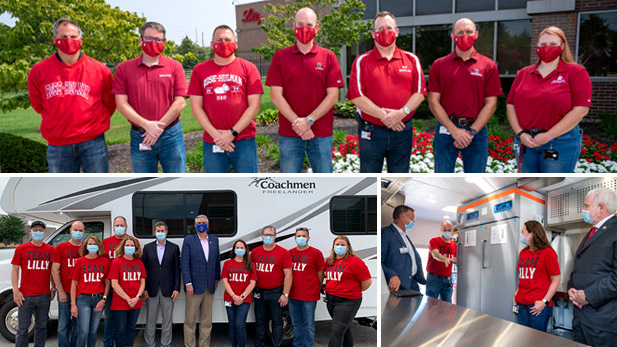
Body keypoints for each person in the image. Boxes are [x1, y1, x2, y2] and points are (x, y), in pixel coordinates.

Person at [27, 18, 115, 173]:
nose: (69, 41)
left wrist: (93, 125)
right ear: (55, 40)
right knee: (62, 193)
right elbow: (38, 104)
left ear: (81, 39)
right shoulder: (38, 71)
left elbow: (110, 103)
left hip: (93, 142)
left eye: (73, 37)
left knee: (99, 189)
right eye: (63, 37)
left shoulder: (100, 70)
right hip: (58, 145)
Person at [265, 7, 345, 173]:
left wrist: (309, 121)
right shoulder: (280, 57)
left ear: (317, 28)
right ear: (293, 25)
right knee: (290, 186)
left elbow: (333, 96)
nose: (304, 29)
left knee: (324, 186)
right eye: (300, 24)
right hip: (289, 134)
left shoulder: (328, 56)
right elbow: (275, 96)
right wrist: (298, 124)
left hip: (321, 134)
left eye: (309, 24)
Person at [346, 11, 427, 173]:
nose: (385, 32)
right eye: (380, 28)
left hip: (402, 130)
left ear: (397, 32)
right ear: (373, 34)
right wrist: (386, 116)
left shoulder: (411, 59)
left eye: (389, 28)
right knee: (369, 179)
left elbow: (419, 93)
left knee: (398, 179)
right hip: (371, 131)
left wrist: (401, 113)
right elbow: (357, 96)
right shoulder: (362, 61)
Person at [507, 26, 591, 173]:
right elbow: (510, 105)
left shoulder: (576, 72)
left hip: (560, 142)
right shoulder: (524, 73)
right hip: (527, 141)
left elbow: (580, 110)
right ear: (537, 46)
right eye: (543, 44)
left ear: (562, 46)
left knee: (553, 187)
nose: (547, 48)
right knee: (528, 187)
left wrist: (548, 136)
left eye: (553, 44)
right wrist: (520, 134)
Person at [112, 21, 188, 173]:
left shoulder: (174, 66)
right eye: (149, 39)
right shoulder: (124, 68)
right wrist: (147, 125)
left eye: (158, 40)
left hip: (171, 135)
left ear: (164, 42)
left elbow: (180, 101)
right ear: (141, 40)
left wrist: (157, 128)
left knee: (177, 183)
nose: (154, 43)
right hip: (140, 135)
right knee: (144, 184)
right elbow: (121, 103)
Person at [429, 18, 502, 173]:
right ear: (452, 36)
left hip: (477, 131)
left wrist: (472, 132)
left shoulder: (488, 65)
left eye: (469, 32)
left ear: (476, 34)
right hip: (446, 130)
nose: (465, 35)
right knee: (442, 177)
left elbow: (491, 103)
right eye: (460, 32)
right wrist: (453, 130)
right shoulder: (439, 65)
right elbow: (433, 101)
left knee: (476, 178)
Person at [188, 25, 263, 173]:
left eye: (228, 39)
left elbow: (254, 106)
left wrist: (231, 134)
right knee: (216, 189)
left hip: (244, 139)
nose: (223, 43)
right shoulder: (199, 70)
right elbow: (196, 107)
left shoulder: (248, 68)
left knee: (249, 186)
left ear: (235, 43)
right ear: (212, 44)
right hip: (212, 141)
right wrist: (217, 136)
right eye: (219, 40)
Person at [568, 188, 617, 346]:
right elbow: (581, 267)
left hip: (602, 322)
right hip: (581, 317)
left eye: (586, 206)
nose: (583, 210)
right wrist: (571, 287)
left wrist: (588, 296)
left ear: (601, 208)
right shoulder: (592, 232)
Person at [11, 221, 56, 347]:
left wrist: (53, 287)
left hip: (44, 295)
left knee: (41, 328)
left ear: (45, 233)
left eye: (40, 230)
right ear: (30, 232)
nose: (38, 232)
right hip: (25, 295)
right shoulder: (21, 249)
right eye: (35, 230)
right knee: (22, 329)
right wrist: (16, 290)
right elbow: (15, 270)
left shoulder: (50, 250)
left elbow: (53, 271)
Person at [324, 236, 372, 347]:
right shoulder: (330, 261)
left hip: (347, 301)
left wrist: (351, 290)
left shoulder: (355, 262)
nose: (339, 247)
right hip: (331, 300)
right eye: (337, 244)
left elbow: (367, 282)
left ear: (348, 247)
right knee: (344, 328)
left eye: (342, 245)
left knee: (337, 331)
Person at [513, 221, 560, 332]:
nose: (521, 234)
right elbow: (523, 277)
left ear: (532, 234)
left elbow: (556, 280)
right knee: (523, 338)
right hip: (521, 303)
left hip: (537, 306)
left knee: (536, 341)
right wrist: (516, 294)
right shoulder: (523, 253)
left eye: (523, 232)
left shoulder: (548, 252)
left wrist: (544, 302)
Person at [181, 214, 221, 347]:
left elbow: (216, 261)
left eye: (204, 222)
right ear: (195, 225)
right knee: (190, 320)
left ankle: (204, 345)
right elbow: (184, 263)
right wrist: (188, 283)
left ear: (208, 225)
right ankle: (190, 345)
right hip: (193, 286)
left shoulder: (214, 240)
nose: (201, 224)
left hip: (210, 286)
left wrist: (216, 278)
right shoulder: (189, 240)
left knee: (206, 320)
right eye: (199, 222)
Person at [250, 226, 292, 347]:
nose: (268, 237)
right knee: (260, 321)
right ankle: (260, 344)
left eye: (271, 235)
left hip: (276, 292)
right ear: (262, 236)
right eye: (266, 235)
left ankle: (276, 344)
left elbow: (288, 275)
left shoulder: (283, 253)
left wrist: (285, 294)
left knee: (277, 321)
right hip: (259, 292)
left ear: (275, 236)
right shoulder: (255, 252)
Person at [141, 221, 181, 347]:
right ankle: (150, 343)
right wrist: (144, 288)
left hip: (168, 289)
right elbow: (144, 270)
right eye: (158, 231)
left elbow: (176, 270)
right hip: (151, 289)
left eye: (162, 231)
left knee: (167, 320)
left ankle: (165, 344)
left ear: (166, 232)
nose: (160, 233)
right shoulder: (147, 248)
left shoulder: (174, 248)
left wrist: (176, 288)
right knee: (150, 319)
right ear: (154, 232)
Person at [70, 235, 110, 347]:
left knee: (93, 331)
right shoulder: (79, 261)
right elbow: (74, 284)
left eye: (95, 244)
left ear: (99, 246)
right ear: (86, 246)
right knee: (83, 332)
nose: (92, 246)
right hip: (83, 299)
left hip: (98, 298)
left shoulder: (105, 262)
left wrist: (104, 299)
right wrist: (73, 304)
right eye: (90, 244)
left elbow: (107, 282)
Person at [288, 227, 325, 347]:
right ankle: (297, 344)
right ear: (294, 238)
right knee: (295, 323)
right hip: (293, 295)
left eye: (304, 236)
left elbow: (320, 274)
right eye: (299, 236)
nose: (301, 238)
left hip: (309, 296)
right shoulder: (290, 253)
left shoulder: (316, 253)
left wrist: (314, 288)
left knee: (308, 324)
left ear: (308, 238)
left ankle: (308, 345)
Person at [51, 220, 84, 347]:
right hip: (65, 291)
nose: (78, 233)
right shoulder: (61, 247)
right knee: (63, 324)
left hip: (81, 294)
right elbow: (54, 271)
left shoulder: (85, 248)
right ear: (70, 231)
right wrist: (60, 291)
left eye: (80, 230)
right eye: (75, 230)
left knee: (78, 325)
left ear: (84, 232)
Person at [109, 236, 146, 347]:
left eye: (132, 246)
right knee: (120, 329)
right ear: (123, 247)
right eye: (127, 245)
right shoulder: (117, 262)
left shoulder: (139, 263)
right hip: (120, 303)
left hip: (136, 303)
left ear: (136, 248)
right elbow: (114, 283)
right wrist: (128, 299)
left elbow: (142, 282)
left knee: (131, 328)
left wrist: (137, 297)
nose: (129, 247)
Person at [221, 239, 257, 347]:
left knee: (240, 325)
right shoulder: (228, 263)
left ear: (246, 250)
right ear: (234, 249)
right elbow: (225, 280)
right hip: (229, 298)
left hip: (244, 300)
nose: (239, 249)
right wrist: (233, 296)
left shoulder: (251, 265)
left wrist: (241, 296)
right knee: (232, 325)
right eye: (237, 247)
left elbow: (252, 283)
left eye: (242, 247)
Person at [381, 205, 426, 292]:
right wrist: (391, 275)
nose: (413, 221)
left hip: (412, 283)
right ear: (401, 217)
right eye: (412, 218)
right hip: (398, 286)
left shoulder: (405, 236)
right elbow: (379, 261)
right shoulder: (386, 233)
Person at [102, 216, 130, 347]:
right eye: (117, 225)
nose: (119, 228)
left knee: (123, 321)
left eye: (122, 225)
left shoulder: (132, 242)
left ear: (126, 227)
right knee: (109, 318)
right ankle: (108, 344)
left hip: (126, 288)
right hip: (110, 287)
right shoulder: (105, 242)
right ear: (113, 227)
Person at [425, 221, 457, 302]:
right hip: (434, 278)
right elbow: (435, 254)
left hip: (448, 279)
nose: (447, 232)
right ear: (441, 230)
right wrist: (444, 259)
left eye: (449, 230)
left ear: (452, 230)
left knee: (447, 302)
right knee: (431, 303)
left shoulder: (454, 245)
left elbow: (455, 259)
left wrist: (457, 262)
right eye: (445, 230)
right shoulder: (434, 241)